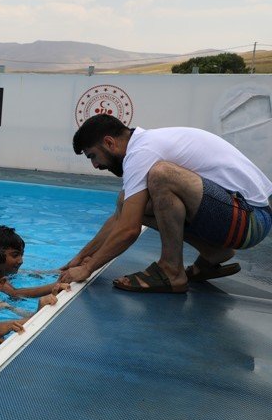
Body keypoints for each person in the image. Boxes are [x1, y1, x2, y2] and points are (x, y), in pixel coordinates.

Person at [58, 114, 272, 293]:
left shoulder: (142, 152)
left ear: (109, 143)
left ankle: (171, 271)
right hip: (243, 214)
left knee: (161, 175)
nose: (95, 165)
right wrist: (82, 257)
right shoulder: (145, 144)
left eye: (93, 156)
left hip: (251, 219)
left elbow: (128, 230)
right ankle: (213, 252)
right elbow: (119, 219)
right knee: (127, 201)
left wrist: (89, 269)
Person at [0, 225, 71, 298]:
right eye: (15, 255)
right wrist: (56, 285)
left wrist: (61, 271)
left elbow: (31, 272)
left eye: (21, 255)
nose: (21, 261)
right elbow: (15, 293)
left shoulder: (7, 272)